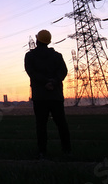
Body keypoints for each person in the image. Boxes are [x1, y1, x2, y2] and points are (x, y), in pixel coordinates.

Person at [24, 29, 71, 158]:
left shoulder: (30, 56)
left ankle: (42, 151)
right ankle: (67, 150)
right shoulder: (57, 56)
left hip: (40, 97)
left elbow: (31, 73)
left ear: (37, 40)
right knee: (61, 123)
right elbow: (63, 71)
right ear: (49, 41)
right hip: (55, 96)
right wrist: (53, 82)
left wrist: (44, 82)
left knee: (41, 125)